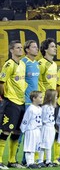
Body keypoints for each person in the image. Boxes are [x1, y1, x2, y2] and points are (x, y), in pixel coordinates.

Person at [0, 40, 26, 170]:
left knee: (17, 132)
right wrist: (4, 97)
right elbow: (1, 82)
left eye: (21, 47)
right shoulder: (9, 64)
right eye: (17, 48)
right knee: (6, 131)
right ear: (11, 50)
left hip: (21, 102)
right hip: (11, 102)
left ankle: (12, 160)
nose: (20, 49)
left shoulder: (22, 64)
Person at [20, 90, 43, 168]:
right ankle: (29, 163)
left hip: (37, 130)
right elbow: (25, 120)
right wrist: (23, 130)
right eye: (40, 97)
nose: (41, 99)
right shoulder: (30, 109)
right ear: (34, 98)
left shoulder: (40, 108)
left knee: (35, 147)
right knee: (29, 147)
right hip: (31, 130)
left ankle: (33, 162)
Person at [38, 89, 57, 167]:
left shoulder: (52, 107)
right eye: (55, 96)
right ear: (51, 97)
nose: (56, 98)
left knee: (49, 144)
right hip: (45, 127)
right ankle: (40, 161)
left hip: (51, 127)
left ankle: (48, 160)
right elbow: (41, 119)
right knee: (43, 145)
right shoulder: (45, 107)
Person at [22, 41, 40, 107]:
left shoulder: (36, 63)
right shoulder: (23, 62)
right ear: (27, 50)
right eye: (34, 47)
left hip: (35, 100)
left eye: (37, 47)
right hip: (26, 100)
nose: (37, 49)